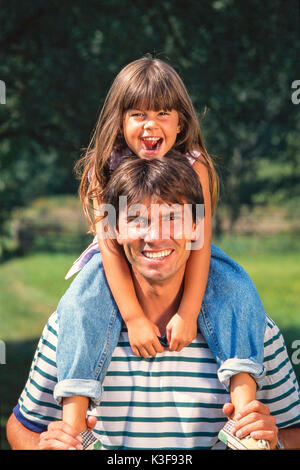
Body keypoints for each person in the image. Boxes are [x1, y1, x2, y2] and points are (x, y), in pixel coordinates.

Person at [40, 56, 266, 445]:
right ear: (120, 121)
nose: (150, 124)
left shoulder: (195, 166)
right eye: (138, 113)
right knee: (80, 305)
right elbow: (110, 249)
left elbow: (199, 242)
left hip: (186, 252)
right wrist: (134, 318)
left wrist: (189, 312)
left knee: (236, 289)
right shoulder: (105, 167)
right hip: (120, 257)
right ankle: (74, 429)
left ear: (180, 122)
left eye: (163, 112)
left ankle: (245, 419)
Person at [6, 155, 300, 450]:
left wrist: (273, 443)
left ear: (197, 228)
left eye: (172, 218)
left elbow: (294, 434)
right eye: (136, 219)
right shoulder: (72, 323)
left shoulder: (250, 325)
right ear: (114, 231)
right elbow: (21, 428)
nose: (155, 236)